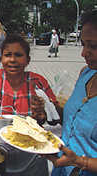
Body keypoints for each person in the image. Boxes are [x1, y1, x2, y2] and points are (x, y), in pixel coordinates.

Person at [0, 34, 58, 176]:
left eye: (18, 55)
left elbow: (53, 117)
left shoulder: (38, 81)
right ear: (1, 59)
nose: (12, 60)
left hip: (32, 155)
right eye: (7, 55)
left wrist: (42, 113)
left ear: (27, 60)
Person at [44, 10, 97, 176]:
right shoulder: (86, 73)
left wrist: (79, 161)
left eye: (94, 46)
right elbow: (73, 121)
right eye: (83, 44)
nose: (83, 53)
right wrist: (50, 110)